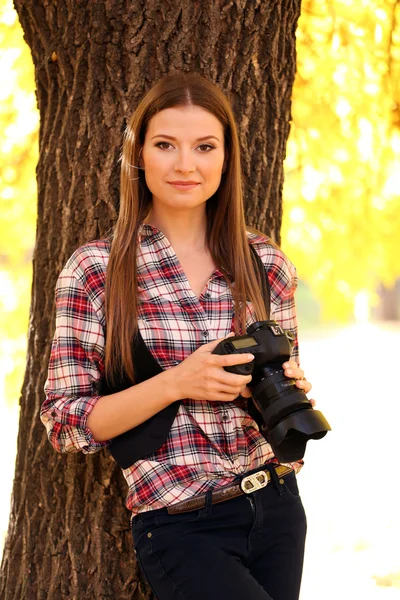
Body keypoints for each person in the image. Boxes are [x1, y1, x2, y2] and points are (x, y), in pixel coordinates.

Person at [41, 72, 314, 600]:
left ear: (227, 158)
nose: (186, 164)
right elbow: (64, 421)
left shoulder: (266, 264)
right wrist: (176, 383)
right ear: (139, 155)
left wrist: (290, 385)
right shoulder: (96, 270)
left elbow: (280, 393)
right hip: (183, 524)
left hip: (278, 506)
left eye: (204, 147)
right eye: (166, 145)